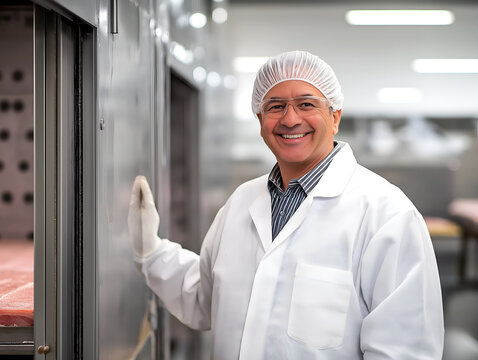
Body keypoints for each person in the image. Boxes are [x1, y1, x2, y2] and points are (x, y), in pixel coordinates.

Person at [128, 50, 444, 359]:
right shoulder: (241, 202)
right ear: (260, 120)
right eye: (276, 106)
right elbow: (204, 298)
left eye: (306, 104)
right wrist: (151, 251)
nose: (290, 119)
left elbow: (404, 349)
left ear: (334, 117)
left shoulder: (386, 215)